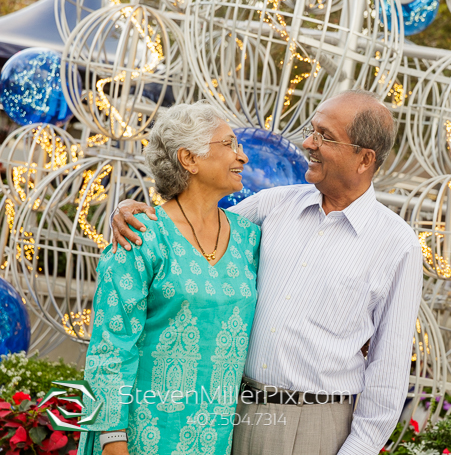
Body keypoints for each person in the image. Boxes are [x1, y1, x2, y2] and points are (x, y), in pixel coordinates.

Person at [110, 90, 424, 455]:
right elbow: (188, 233)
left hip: (318, 428)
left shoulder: (397, 244)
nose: (308, 142)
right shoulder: (272, 206)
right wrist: (132, 209)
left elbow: (388, 369)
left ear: (364, 159)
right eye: (312, 130)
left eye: (325, 136)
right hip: (231, 416)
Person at [78, 102, 260, 455]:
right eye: (229, 145)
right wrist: (114, 443)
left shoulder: (249, 238)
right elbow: (110, 350)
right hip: (138, 437)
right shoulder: (139, 237)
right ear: (189, 159)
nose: (243, 157)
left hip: (214, 439)